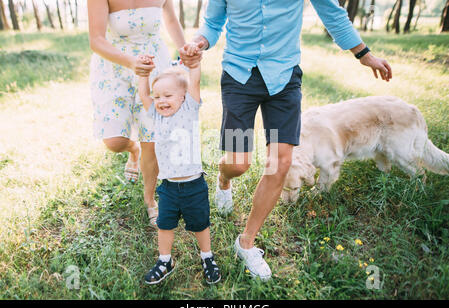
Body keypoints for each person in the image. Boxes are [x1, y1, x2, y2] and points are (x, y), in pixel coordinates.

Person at [179, 0, 393, 281]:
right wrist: (198, 42)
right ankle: (224, 179)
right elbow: (214, 22)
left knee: (279, 163)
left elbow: (331, 12)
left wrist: (364, 54)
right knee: (238, 163)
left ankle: (247, 242)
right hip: (238, 79)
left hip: (283, 82)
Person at [87, 0, 186, 226]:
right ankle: (133, 149)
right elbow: (96, 39)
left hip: (154, 65)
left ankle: (150, 199)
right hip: (114, 67)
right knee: (114, 141)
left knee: (151, 137)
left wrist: (185, 51)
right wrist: (131, 63)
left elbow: (170, 20)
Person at [138, 50, 221, 285]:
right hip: (169, 187)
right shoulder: (157, 116)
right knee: (164, 225)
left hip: (194, 184)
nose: (161, 100)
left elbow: (195, 79)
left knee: (200, 224)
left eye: (168, 95)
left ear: (184, 96)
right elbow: (144, 93)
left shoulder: (190, 109)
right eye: (158, 97)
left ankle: (207, 257)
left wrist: (194, 64)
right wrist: (143, 73)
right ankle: (165, 260)